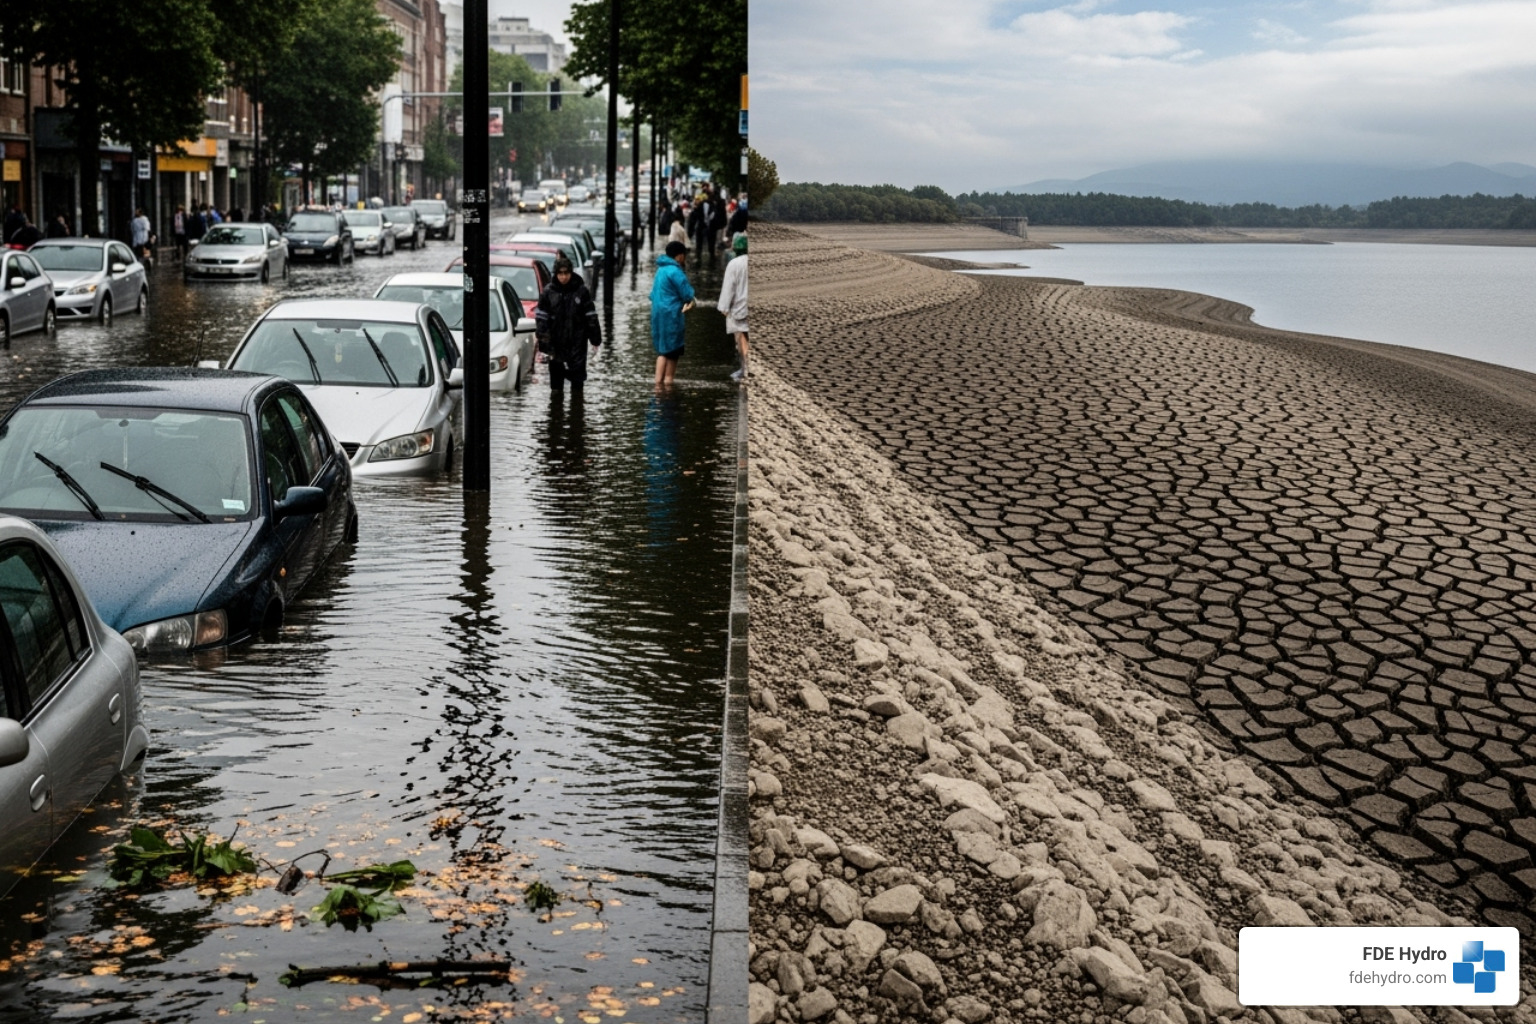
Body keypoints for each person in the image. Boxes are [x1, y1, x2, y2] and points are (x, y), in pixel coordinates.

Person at [534, 256, 603, 391]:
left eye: (566, 273)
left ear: (571, 273)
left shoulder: (581, 291)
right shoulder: (548, 293)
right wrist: (545, 343)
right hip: (556, 345)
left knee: (577, 385)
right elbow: (542, 320)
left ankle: (577, 404)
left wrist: (595, 339)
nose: (563, 277)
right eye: (560, 273)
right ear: (556, 274)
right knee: (556, 388)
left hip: (577, 344)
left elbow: (591, 317)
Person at [649, 240, 694, 388]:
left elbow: (652, 295)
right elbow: (687, 294)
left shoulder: (660, 271)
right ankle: (668, 385)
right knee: (673, 351)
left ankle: (657, 385)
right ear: (679, 256)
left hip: (657, 314)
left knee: (662, 351)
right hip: (672, 315)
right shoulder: (676, 272)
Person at [718, 233, 748, 383]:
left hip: (740, 310)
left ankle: (746, 369)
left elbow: (728, 288)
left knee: (742, 340)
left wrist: (723, 307)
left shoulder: (734, 264)